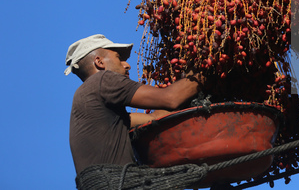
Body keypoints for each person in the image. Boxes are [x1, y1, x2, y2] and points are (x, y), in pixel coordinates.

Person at [65, 34, 203, 176]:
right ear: (99, 62)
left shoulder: (90, 104)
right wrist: (205, 71)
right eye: (119, 58)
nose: (127, 65)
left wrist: (181, 81)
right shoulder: (103, 79)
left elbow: (156, 117)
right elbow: (171, 98)